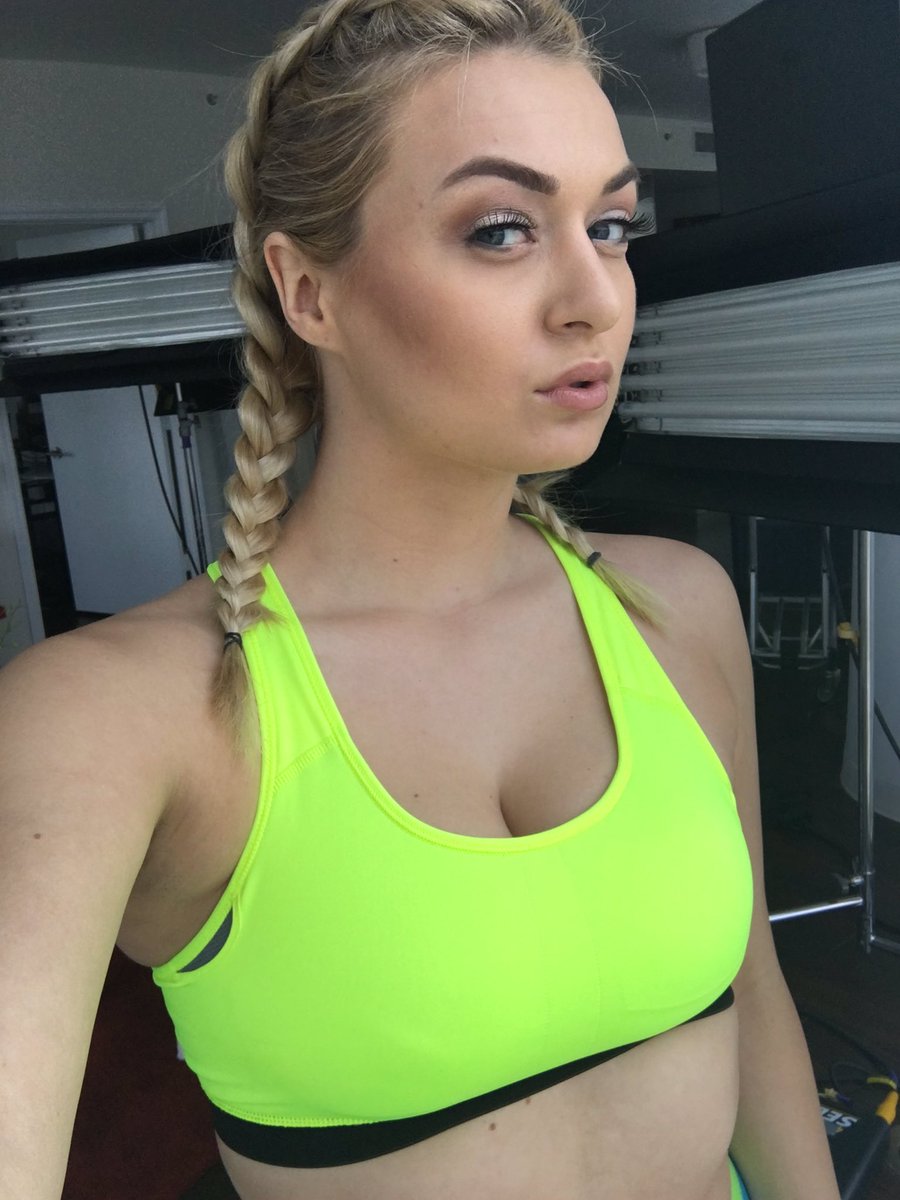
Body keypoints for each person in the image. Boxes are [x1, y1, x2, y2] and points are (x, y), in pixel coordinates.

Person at [0, 1, 843, 1198]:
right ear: (310, 294)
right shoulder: (122, 715)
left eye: (610, 225)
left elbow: (753, 998)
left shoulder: (675, 606)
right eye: (501, 230)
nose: (596, 297)